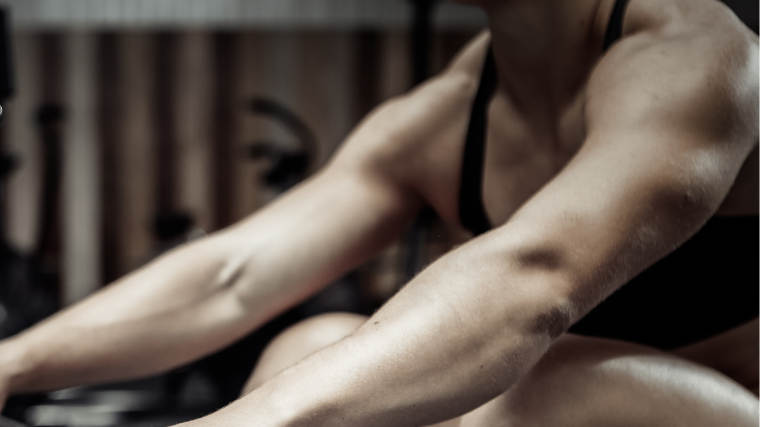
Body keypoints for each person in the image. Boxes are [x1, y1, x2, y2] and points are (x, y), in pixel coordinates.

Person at [1, 0, 758, 425]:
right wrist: (13, 363)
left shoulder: (696, 55)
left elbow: (535, 280)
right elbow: (232, 275)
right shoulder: (450, 114)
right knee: (311, 346)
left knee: (542, 387)